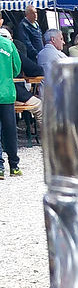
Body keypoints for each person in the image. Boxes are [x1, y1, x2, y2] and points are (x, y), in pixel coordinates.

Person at [0, 29, 22, 178]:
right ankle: (14, 166)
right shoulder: (8, 44)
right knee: (10, 131)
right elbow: (17, 69)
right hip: (7, 94)